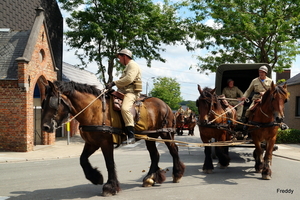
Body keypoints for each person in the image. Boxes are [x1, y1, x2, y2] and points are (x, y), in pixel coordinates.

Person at [106, 49, 142, 144]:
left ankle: (131, 136)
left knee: (125, 109)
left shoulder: (132, 65)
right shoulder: (128, 66)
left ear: (124, 57)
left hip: (131, 93)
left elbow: (128, 79)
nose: (119, 60)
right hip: (123, 92)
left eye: (119, 58)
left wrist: (114, 83)